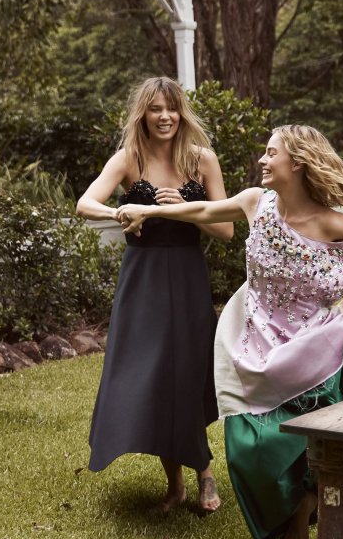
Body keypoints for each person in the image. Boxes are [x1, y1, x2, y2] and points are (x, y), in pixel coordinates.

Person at [118, 125, 343, 539]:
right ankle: (294, 502)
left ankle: (307, 503)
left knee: (320, 435)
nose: (262, 160)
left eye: (271, 152)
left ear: (297, 162)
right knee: (247, 446)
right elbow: (204, 211)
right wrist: (149, 211)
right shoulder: (255, 202)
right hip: (256, 337)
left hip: (311, 342)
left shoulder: (333, 222)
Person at [76, 76, 233, 513]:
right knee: (154, 374)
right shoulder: (130, 157)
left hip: (186, 277)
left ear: (182, 112)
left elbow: (225, 229)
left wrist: (183, 210)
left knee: (187, 370)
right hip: (142, 280)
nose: (165, 117)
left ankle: (204, 474)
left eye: (171, 108)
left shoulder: (202, 160)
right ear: (142, 115)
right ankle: (175, 485)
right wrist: (122, 211)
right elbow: (85, 204)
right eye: (155, 109)